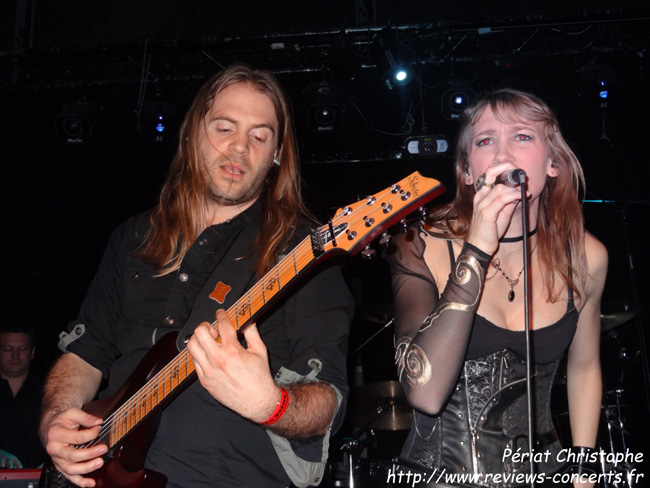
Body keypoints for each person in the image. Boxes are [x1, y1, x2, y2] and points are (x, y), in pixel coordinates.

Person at [39, 64, 354, 488]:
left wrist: (269, 404)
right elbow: (85, 352)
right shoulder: (133, 238)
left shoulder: (303, 253)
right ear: (191, 133)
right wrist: (56, 421)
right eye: (224, 128)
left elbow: (328, 402)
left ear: (278, 153)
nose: (239, 148)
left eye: (259, 136)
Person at [385, 88, 607, 487]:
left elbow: (585, 365)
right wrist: (478, 247)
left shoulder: (586, 257)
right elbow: (424, 393)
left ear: (552, 162)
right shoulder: (418, 246)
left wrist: (583, 469)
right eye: (486, 141)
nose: (503, 154)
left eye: (522, 136)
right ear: (468, 172)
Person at [0, 325, 45, 469]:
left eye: (22, 349)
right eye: (8, 349)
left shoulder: (50, 393)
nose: (15, 355)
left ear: (32, 352)